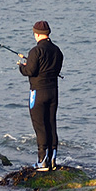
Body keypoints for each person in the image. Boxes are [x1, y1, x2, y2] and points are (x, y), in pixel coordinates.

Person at [18, 20, 63, 171]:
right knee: (51, 123)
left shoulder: (35, 51)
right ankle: (52, 159)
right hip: (53, 92)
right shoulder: (57, 51)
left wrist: (21, 67)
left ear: (36, 34)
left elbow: (30, 71)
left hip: (37, 92)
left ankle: (42, 161)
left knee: (40, 126)